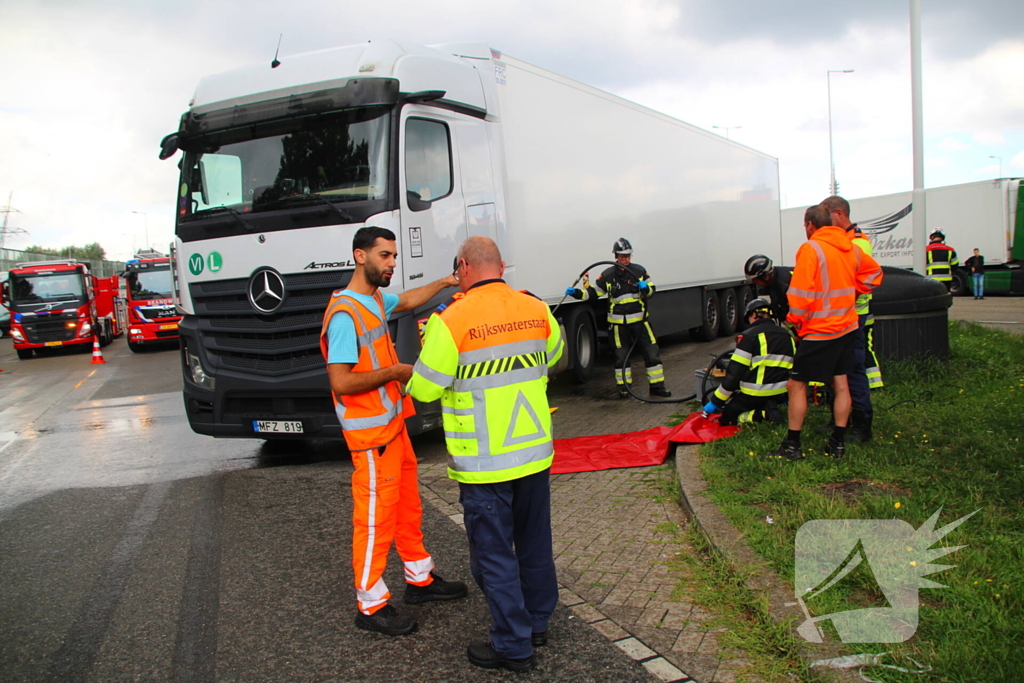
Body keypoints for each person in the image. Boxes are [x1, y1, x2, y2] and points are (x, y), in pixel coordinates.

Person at [406, 236, 564, 673]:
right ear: (502, 265)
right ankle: (536, 625)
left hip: (485, 464)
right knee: (534, 546)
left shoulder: (450, 320)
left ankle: (513, 647)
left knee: (494, 556)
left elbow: (424, 388)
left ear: (463, 266)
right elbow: (554, 354)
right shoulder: (535, 308)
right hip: (533, 455)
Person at [320, 226, 468, 636]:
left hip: (392, 429)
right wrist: (398, 371)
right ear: (359, 256)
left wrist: (444, 281)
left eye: (394, 256)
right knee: (374, 520)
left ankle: (420, 580)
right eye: (384, 256)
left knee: (407, 508)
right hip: (371, 440)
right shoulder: (346, 315)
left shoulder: (371, 300)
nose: (392, 263)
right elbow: (341, 382)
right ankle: (370, 605)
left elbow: (405, 300)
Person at [766, 205, 882, 462]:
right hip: (847, 327)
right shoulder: (850, 246)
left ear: (810, 225)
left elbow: (799, 294)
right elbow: (874, 275)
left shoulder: (812, 249)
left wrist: (794, 324)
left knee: (796, 385)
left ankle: (792, 446)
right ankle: (837, 443)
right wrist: (853, 291)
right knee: (841, 384)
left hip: (819, 330)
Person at [566, 238, 670, 398]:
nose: (626, 259)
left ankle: (657, 387)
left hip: (641, 322)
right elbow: (593, 294)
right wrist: (576, 294)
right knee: (621, 357)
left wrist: (646, 288)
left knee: (652, 353)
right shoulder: (607, 275)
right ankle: (624, 389)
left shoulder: (639, 271)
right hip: (618, 325)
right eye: (622, 256)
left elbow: (651, 291)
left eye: (628, 256)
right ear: (616, 256)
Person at [821, 195, 884, 441]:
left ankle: (861, 424)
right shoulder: (842, 241)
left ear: (838, 213)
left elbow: (855, 280)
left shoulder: (857, 243)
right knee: (836, 370)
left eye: (826, 216)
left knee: (853, 369)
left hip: (853, 317)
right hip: (838, 316)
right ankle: (839, 419)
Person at [701, 297, 795, 425]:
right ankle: (769, 406)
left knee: (727, 417)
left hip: (755, 393)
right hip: (782, 393)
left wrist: (716, 401)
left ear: (754, 315)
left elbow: (734, 374)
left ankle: (760, 415)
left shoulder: (749, 335)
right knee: (765, 398)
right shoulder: (787, 335)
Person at [744, 254, 792, 323]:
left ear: (765, 277)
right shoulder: (773, 280)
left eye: (755, 279)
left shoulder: (784, 285)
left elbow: (798, 312)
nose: (753, 282)